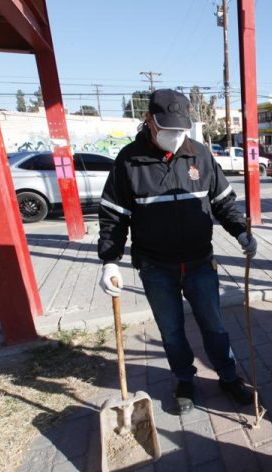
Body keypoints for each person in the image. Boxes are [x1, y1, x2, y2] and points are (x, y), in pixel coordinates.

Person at [97, 88, 258, 415]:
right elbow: (114, 215)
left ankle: (228, 376)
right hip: (156, 267)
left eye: (179, 130)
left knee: (214, 326)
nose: (174, 136)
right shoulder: (129, 161)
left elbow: (223, 202)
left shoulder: (200, 154)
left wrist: (241, 231)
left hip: (200, 263)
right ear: (149, 122)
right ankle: (184, 379)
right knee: (171, 330)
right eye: (167, 129)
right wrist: (110, 261)